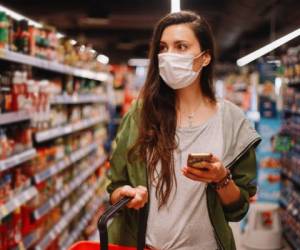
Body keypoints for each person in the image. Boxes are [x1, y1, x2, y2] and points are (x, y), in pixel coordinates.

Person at [107, 11, 261, 250]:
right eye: (163, 48)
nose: (169, 56)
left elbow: (238, 209)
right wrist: (125, 195)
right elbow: (115, 187)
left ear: (205, 57)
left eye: (181, 47)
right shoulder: (141, 115)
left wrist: (221, 179)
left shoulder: (232, 120)